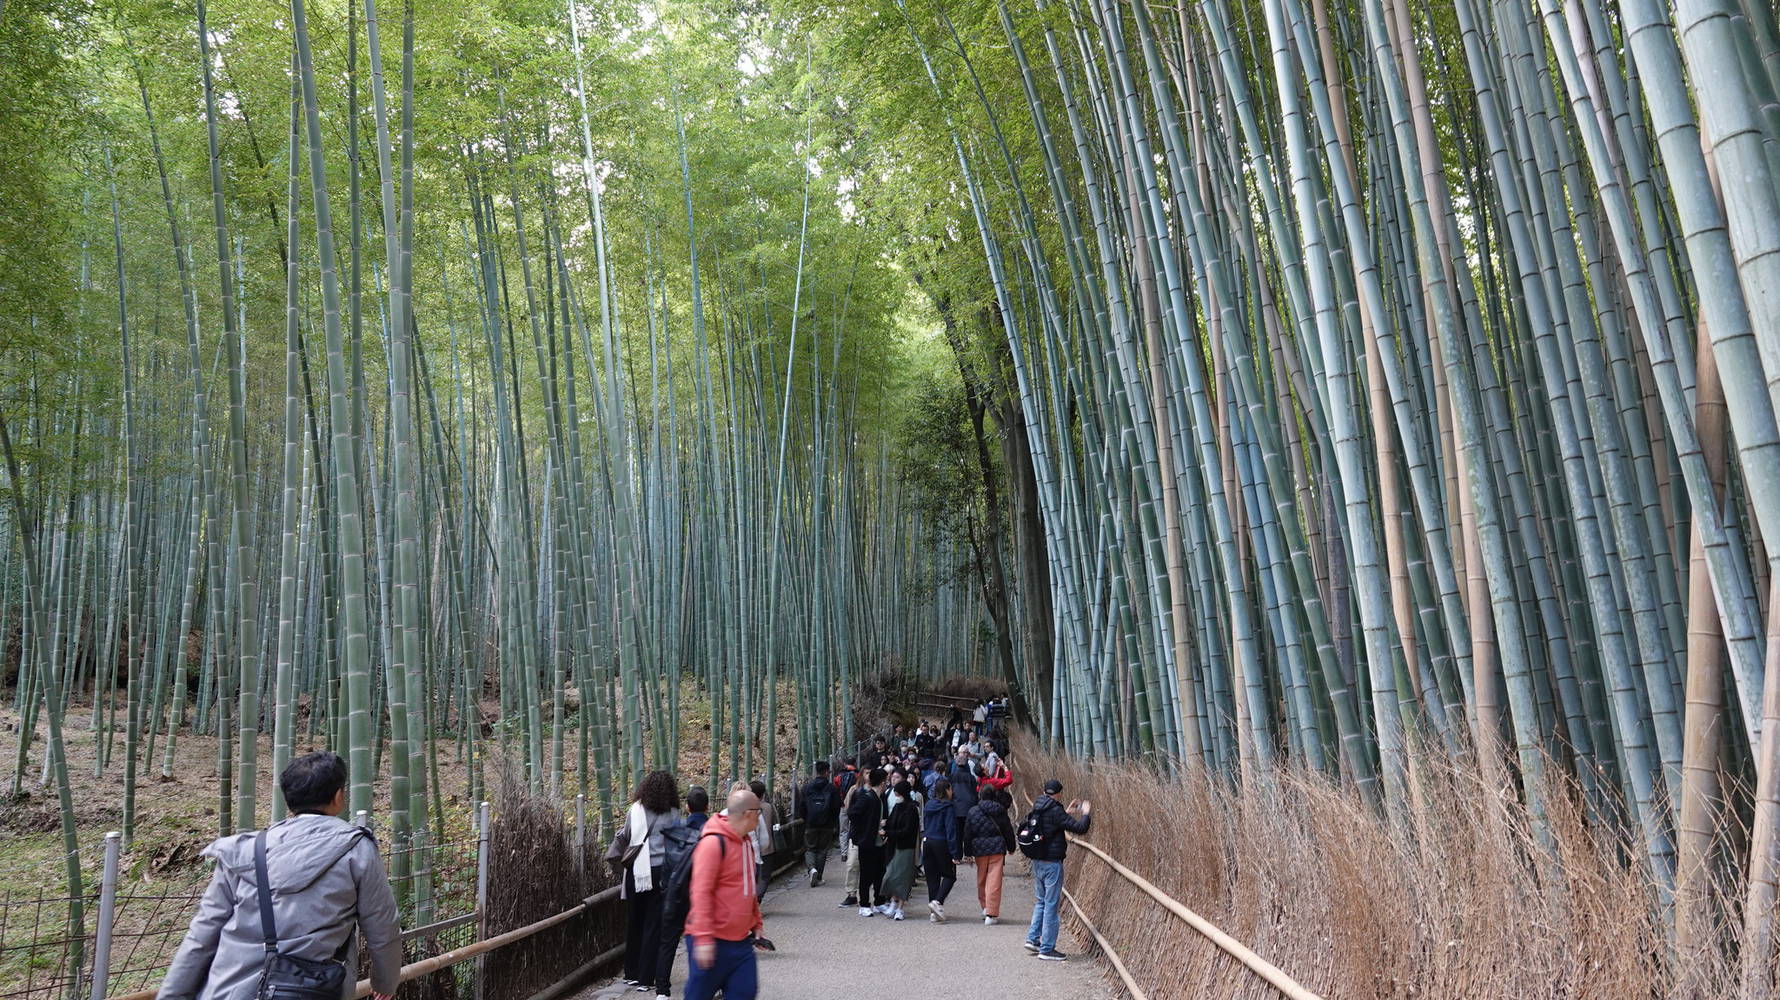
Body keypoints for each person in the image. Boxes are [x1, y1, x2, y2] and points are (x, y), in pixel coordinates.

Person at [159, 751, 401, 1000]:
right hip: (311, 990)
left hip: (228, 990)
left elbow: (201, 936)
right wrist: (385, 984)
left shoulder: (243, 851)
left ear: (288, 799)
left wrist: (171, 995)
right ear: (339, 796)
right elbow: (383, 927)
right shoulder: (356, 849)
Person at [684, 787, 765, 1000]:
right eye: (759, 812)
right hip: (711, 938)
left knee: (745, 992)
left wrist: (756, 922)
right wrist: (703, 939)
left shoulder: (746, 842)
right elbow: (700, 891)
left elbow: (748, 887)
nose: (760, 816)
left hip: (740, 941)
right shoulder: (713, 843)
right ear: (748, 813)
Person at [621, 770, 681, 989]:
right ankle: (646, 979)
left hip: (637, 871)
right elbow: (676, 841)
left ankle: (631, 972)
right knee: (653, 925)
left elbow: (626, 835)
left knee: (634, 921)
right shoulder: (673, 812)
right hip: (661, 873)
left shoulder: (635, 810)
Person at [1022, 779, 1091, 962]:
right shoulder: (1055, 810)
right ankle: (1047, 949)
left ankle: (1033, 939)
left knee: (1041, 902)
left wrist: (1066, 811)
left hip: (1038, 861)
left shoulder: (1038, 806)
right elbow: (1080, 828)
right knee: (1051, 905)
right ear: (1058, 793)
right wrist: (1085, 813)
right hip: (1052, 863)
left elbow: (1052, 823)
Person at [654, 787, 711, 997]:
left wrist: (665, 888)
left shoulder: (673, 832)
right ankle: (707, 985)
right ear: (708, 806)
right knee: (703, 941)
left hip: (674, 893)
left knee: (667, 942)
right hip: (699, 896)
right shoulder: (711, 832)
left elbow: (666, 864)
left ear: (687, 807)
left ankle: (662, 991)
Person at [965, 786, 1017, 925]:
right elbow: (1008, 830)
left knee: (981, 879)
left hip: (979, 849)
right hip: (997, 849)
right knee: (994, 881)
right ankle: (991, 914)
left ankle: (985, 907)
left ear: (980, 795)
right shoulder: (1000, 810)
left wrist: (967, 853)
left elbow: (968, 833)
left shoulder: (973, 811)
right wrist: (1011, 847)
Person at [846, 768, 888, 917]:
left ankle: (879, 901)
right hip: (867, 841)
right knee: (866, 874)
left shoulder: (879, 798)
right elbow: (852, 813)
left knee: (879, 873)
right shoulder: (867, 797)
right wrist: (867, 828)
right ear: (882, 782)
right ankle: (864, 904)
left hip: (878, 842)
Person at [878, 779, 920, 920]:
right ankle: (893, 902)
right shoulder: (898, 806)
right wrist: (886, 827)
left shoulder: (911, 809)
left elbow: (908, 830)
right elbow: (891, 822)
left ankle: (900, 907)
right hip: (894, 846)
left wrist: (889, 832)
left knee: (902, 878)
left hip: (905, 847)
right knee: (890, 875)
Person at [921, 779, 962, 923]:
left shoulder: (929, 805)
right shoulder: (948, 807)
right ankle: (937, 902)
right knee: (950, 875)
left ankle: (934, 912)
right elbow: (951, 830)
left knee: (932, 878)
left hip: (927, 841)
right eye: (951, 789)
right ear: (947, 790)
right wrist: (955, 853)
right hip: (941, 842)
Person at [797, 761, 840, 888]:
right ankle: (818, 877)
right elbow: (836, 807)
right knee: (822, 850)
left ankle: (811, 869)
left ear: (816, 772)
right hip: (827, 824)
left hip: (810, 824)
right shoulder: (832, 788)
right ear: (827, 772)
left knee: (810, 848)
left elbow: (801, 807)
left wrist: (806, 819)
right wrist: (832, 822)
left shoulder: (806, 788)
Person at [747, 780, 776, 902]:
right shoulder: (769, 807)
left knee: (752, 877)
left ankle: (753, 900)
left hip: (751, 848)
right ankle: (757, 899)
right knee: (765, 877)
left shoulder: (745, 808)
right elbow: (776, 823)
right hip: (768, 847)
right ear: (763, 794)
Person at [949, 749, 979, 827]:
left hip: (956, 808)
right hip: (969, 808)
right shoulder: (971, 777)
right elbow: (975, 793)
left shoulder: (951, 777)